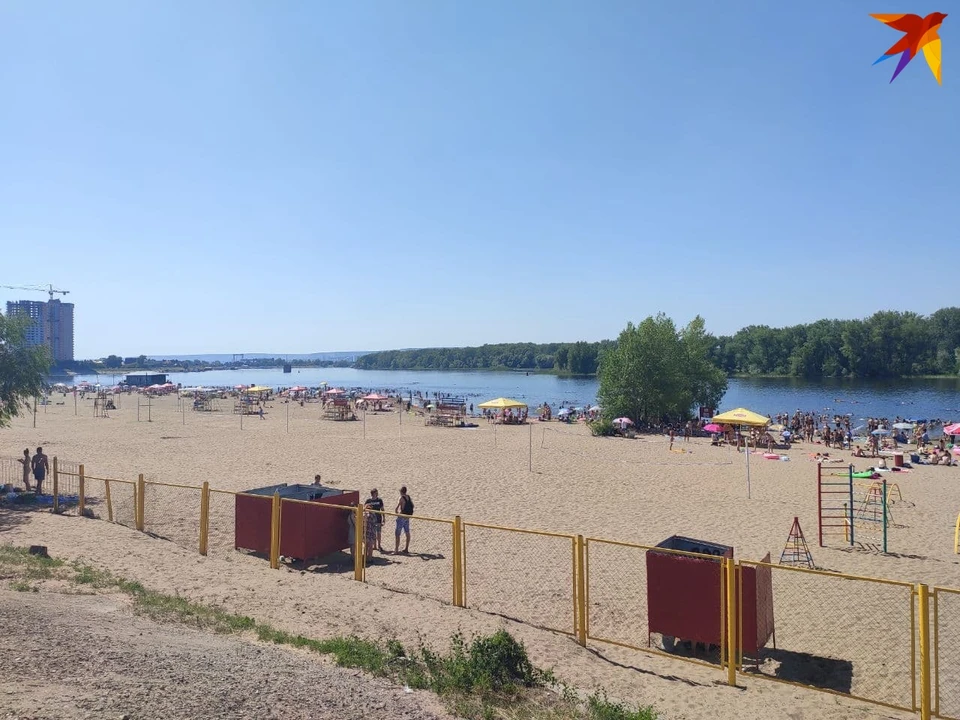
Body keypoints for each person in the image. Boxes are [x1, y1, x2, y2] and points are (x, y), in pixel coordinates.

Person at [394, 486, 414, 554]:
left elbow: (396, 509)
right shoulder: (408, 497)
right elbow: (412, 505)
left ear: (401, 491)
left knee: (397, 534)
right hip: (407, 517)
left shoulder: (401, 498)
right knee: (407, 532)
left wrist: (397, 513)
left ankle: (396, 550)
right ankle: (406, 548)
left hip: (402, 516)